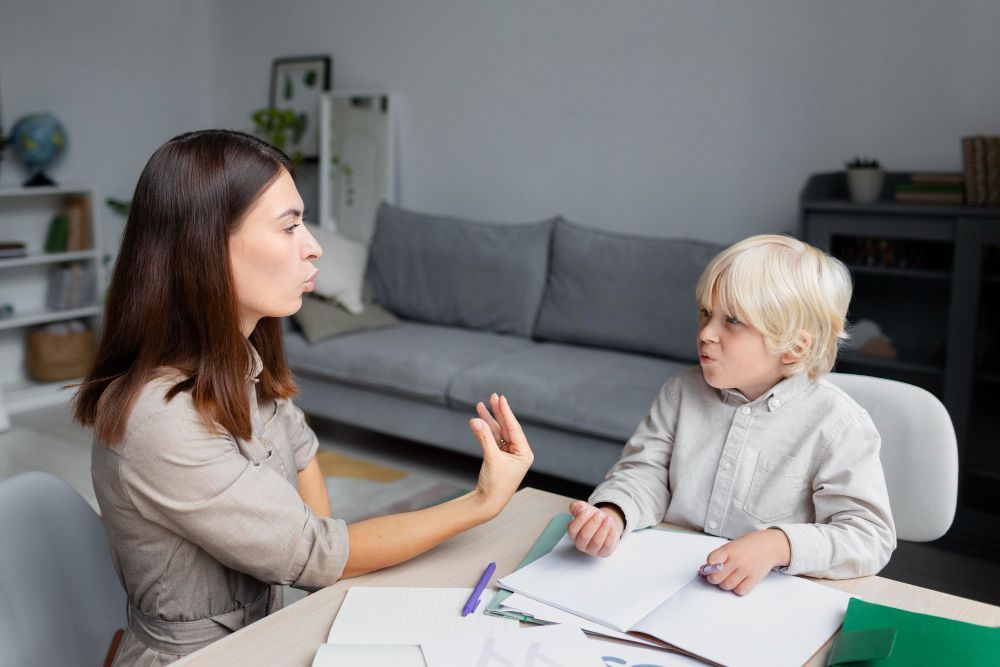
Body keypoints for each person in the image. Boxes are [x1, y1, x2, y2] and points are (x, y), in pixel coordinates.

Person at [74, 129, 534, 664]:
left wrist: (327, 580)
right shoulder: (159, 420)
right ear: (206, 245)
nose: (312, 245)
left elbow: (304, 455)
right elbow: (318, 552)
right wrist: (482, 503)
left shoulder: (241, 361)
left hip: (269, 632)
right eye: (290, 226)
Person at [564, 234, 896, 595]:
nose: (706, 333)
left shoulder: (838, 424)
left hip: (765, 599)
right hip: (665, 580)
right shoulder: (681, 392)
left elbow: (868, 536)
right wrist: (613, 513)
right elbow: (646, 472)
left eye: (733, 321)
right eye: (706, 313)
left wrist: (778, 545)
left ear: (794, 346)